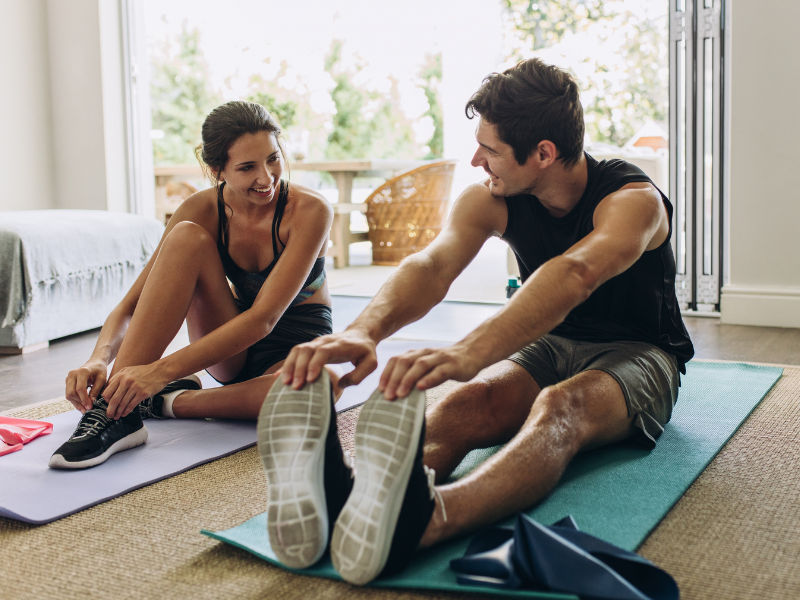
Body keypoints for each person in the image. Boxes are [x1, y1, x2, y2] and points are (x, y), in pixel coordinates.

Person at [258, 58, 695, 584]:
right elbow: (433, 264)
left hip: (641, 353)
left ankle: (427, 521)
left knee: (561, 407)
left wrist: (468, 351)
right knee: (470, 402)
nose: (474, 159)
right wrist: (362, 330)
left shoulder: (634, 202)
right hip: (555, 342)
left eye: (489, 149)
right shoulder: (495, 198)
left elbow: (576, 273)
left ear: (543, 154)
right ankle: (350, 499)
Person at [49, 100, 338, 470]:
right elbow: (131, 305)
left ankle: (161, 402)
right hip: (229, 342)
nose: (266, 178)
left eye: (273, 158)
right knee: (186, 237)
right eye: (247, 167)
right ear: (217, 169)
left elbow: (264, 319)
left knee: (319, 390)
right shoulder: (201, 210)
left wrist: (159, 374)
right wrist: (99, 358)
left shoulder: (311, 211)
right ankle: (114, 413)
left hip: (296, 346)